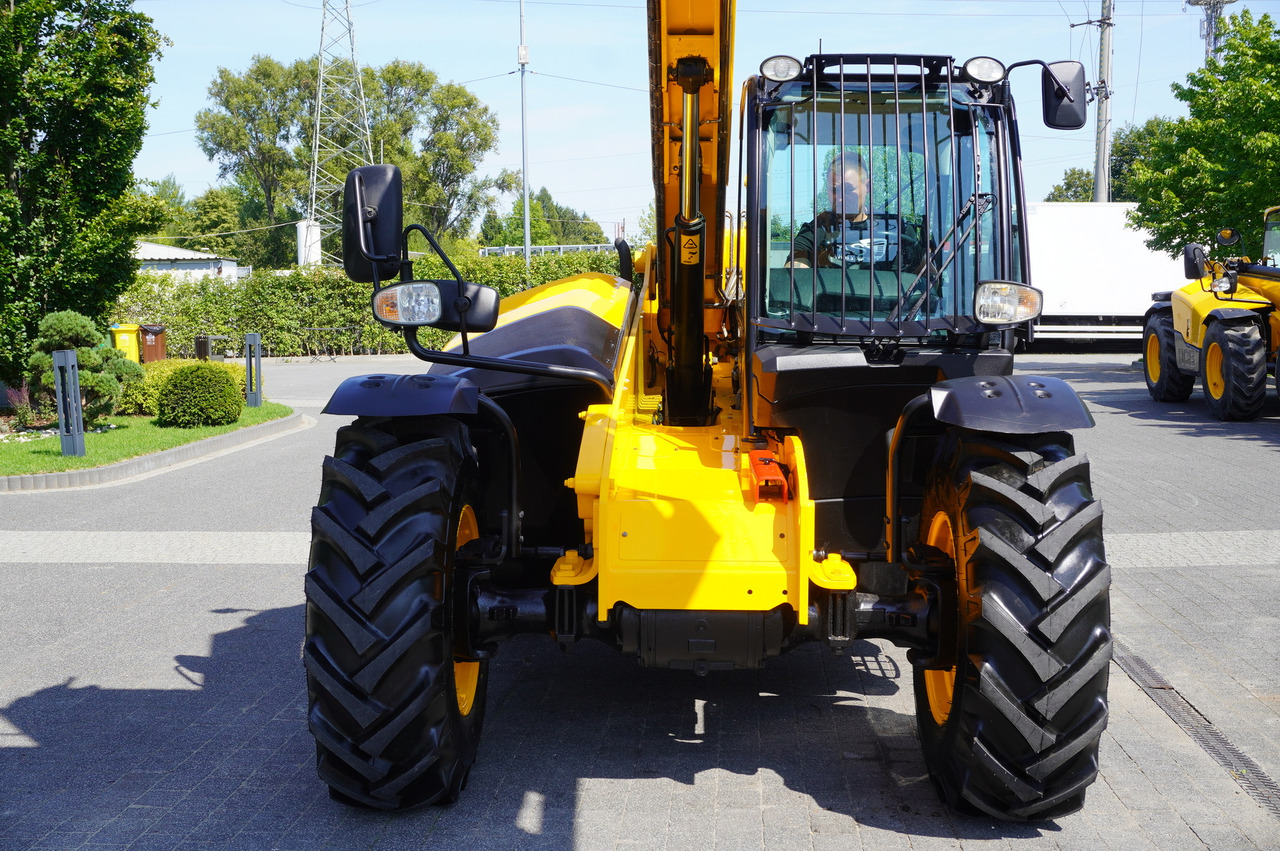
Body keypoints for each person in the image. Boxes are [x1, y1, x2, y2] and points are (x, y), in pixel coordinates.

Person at [787, 153, 924, 273]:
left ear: (867, 187)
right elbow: (794, 273)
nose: (840, 198)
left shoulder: (897, 228)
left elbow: (928, 278)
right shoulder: (817, 229)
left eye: (848, 189)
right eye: (834, 190)